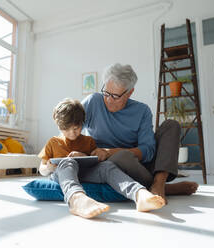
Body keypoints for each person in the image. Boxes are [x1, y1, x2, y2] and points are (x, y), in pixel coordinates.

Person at [81, 63, 199, 204]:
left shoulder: (142, 111)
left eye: (116, 96)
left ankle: (159, 183)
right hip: (108, 166)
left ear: (130, 92)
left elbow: (148, 150)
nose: (109, 100)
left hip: (138, 167)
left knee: (171, 125)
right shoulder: (93, 101)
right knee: (120, 157)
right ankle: (163, 188)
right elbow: (70, 127)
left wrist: (111, 151)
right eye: (106, 93)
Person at [38, 98, 165, 219]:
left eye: (76, 128)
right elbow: (42, 169)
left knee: (107, 166)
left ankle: (139, 194)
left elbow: (96, 161)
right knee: (67, 162)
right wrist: (48, 167)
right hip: (62, 174)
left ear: (82, 124)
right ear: (59, 127)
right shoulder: (53, 142)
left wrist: (84, 156)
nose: (72, 133)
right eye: (66, 130)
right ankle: (76, 199)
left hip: (84, 172)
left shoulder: (88, 141)